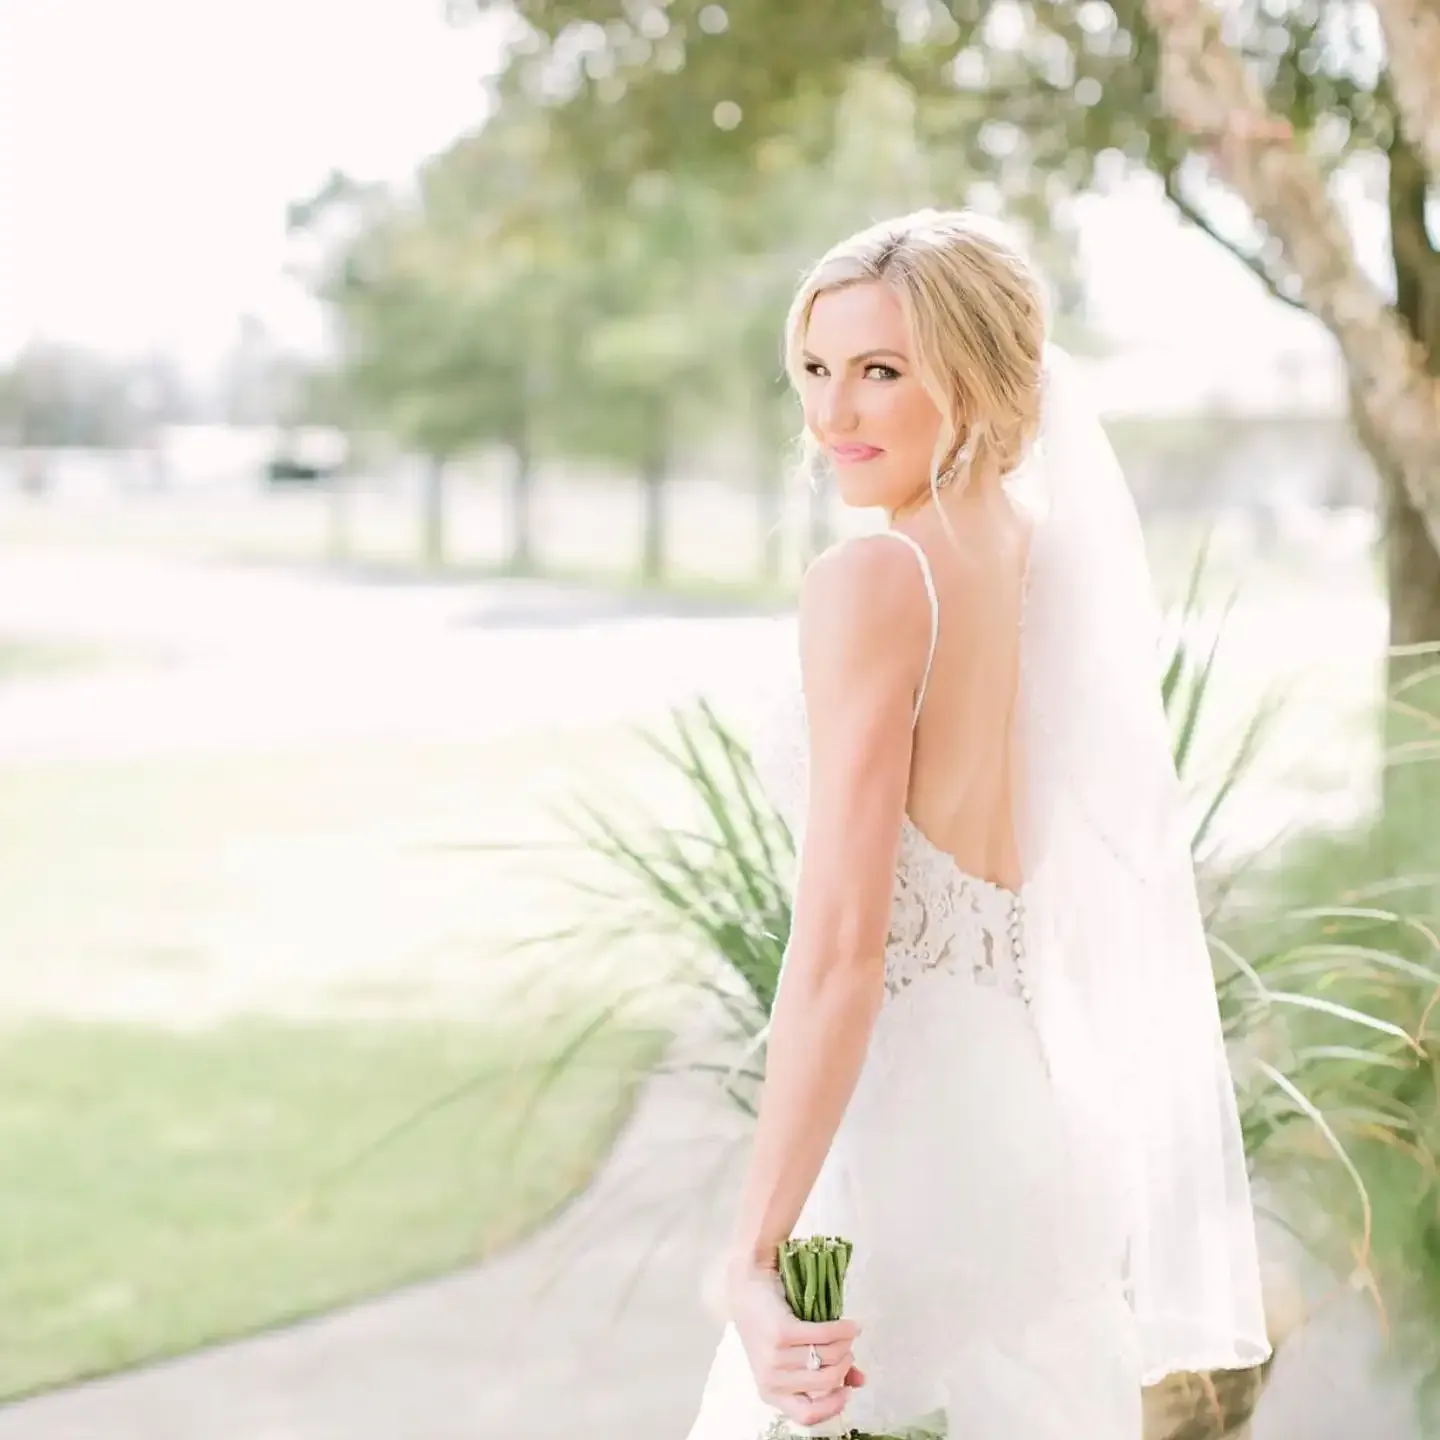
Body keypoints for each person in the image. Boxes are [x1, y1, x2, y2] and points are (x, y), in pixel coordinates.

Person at [682, 210, 1272, 1440]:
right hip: (1037, 1122)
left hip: (907, 1133)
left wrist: (747, 1254)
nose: (833, 412)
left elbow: (841, 950)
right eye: (816, 368)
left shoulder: (874, 580)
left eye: (880, 371)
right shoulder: (1052, 564)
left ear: (978, 377)